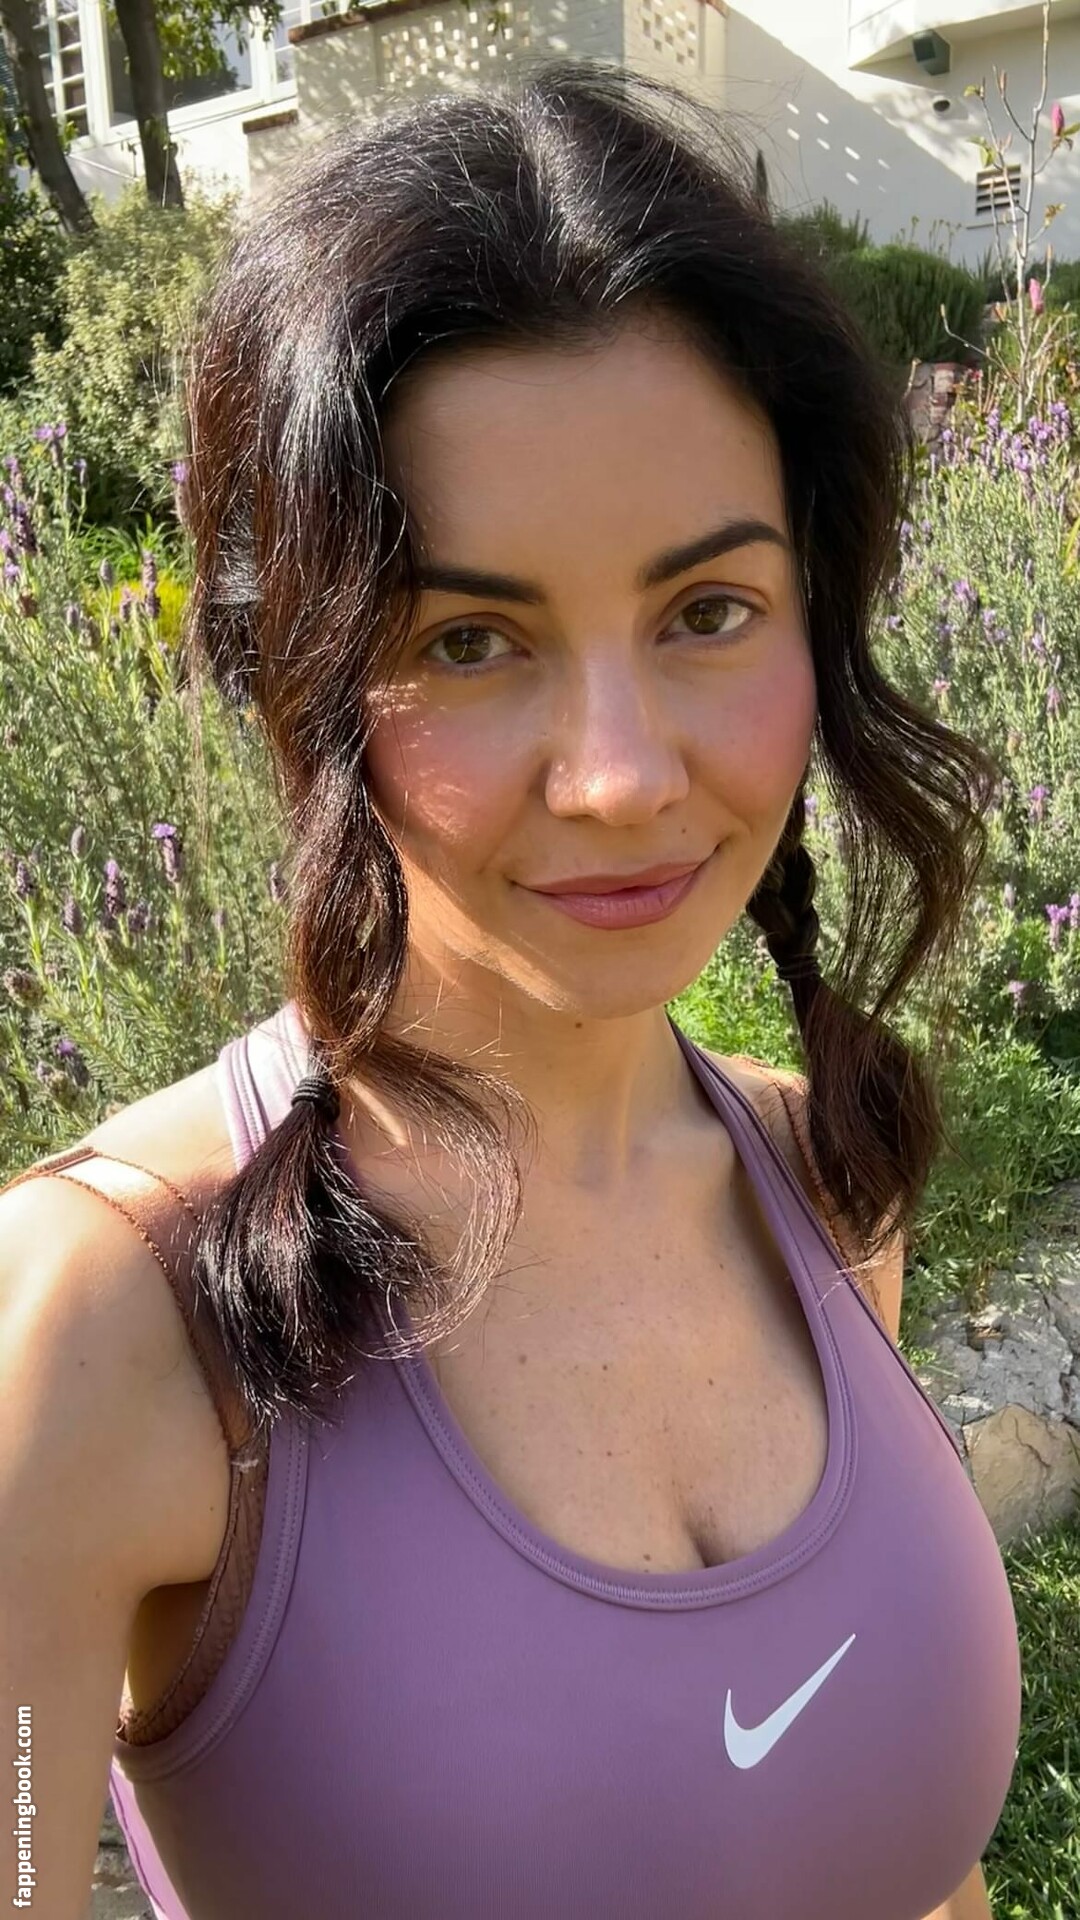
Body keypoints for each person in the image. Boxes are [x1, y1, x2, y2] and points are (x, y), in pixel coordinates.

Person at [0, 59, 1021, 1920]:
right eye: (470, 641)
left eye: (708, 612)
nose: (621, 774)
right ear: (300, 682)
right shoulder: (103, 1322)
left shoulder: (820, 1183)